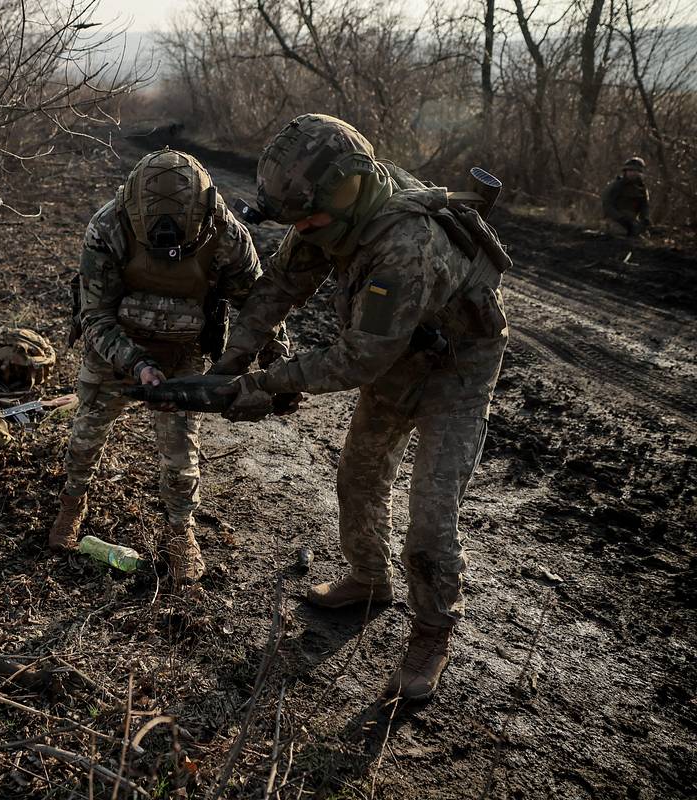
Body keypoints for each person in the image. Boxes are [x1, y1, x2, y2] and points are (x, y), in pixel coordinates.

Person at [212, 114, 510, 700]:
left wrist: (263, 384)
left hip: (457, 370)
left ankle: (430, 632)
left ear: (345, 191)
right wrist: (230, 361)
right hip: (401, 351)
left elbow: (357, 360)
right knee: (360, 475)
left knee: (430, 516)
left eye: (309, 218)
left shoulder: (405, 245)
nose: (305, 229)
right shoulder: (330, 209)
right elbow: (279, 286)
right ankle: (369, 580)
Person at [49, 148, 287, 583]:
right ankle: (72, 501)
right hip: (114, 347)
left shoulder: (226, 234)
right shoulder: (109, 226)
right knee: (85, 434)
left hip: (184, 351)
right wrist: (136, 363)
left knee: (180, 456)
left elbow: (259, 307)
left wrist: (278, 367)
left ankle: (181, 532)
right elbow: (94, 315)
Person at [601, 157, 652, 236]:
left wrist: (645, 219)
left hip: (632, 220)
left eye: (636, 171)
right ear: (625, 172)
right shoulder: (616, 186)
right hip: (614, 220)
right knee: (620, 234)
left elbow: (644, 206)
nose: (633, 173)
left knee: (643, 235)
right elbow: (607, 205)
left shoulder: (641, 188)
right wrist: (620, 218)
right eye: (630, 171)